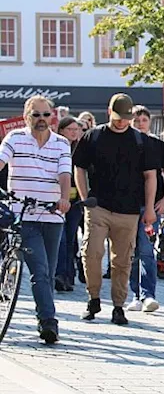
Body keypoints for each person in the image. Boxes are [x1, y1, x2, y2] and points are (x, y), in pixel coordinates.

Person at [73, 94, 159, 326]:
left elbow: (151, 176)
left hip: (129, 210)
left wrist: (149, 209)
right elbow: (78, 167)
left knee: (122, 261)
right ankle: (93, 298)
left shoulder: (141, 142)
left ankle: (118, 306)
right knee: (91, 253)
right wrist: (84, 197)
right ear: (109, 112)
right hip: (98, 205)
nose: (122, 122)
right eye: (118, 117)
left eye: (126, 118)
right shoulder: (94, 136)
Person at [0, 96, 72, 344]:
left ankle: (43, 316)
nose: (41, 120)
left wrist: (64, 199)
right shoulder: (15, 138)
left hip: (52, 215)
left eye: (45, 115)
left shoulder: (62, 143)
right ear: (26, 115)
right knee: (39, 271)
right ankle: (49, 322)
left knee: (49, 274)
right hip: (23, 214)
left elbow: (64, 173)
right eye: (36, 115)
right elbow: (1, 159)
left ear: (52, 116)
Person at [125, 111, 164, 314]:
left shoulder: (158, 145)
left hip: (151, 207)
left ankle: (148, 294)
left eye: (144, 120)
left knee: (146, 250)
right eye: (136, 120)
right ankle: (135, 294)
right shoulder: (125, 143)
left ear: (150, 122)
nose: (140, 123)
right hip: (126, 206)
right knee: (130, 252)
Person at [55, 116, 85, 293]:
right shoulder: (56, 146)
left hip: (76, 201)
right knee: (61, 238)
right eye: (70, 129)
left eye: (76, 129)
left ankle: (68, 276)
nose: (74, 133)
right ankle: (60, 274)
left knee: (71, 238)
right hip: (57, 198)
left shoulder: (81, 149)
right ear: (61, 131)